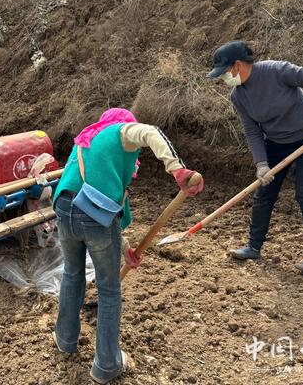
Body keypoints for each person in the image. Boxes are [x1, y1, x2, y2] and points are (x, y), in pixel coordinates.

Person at [52, 108, 204, 384]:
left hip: (64, 208)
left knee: (72, 274)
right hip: (93, 218)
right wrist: (177, 168)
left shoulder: (88, 141)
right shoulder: (119, 131)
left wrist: (125, 250)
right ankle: (106, 365)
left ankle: (65, 340)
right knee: (109, 290)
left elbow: (103, 205)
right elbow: (150, 132)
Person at [207, 41, 303, 274]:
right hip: (276, 143)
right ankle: (253, 247)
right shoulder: (238, 96)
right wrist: (262, 164)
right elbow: (252, 131)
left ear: (237, 65)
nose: (224, 78)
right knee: (264, 194)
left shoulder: (277, 71)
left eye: (225, 72)